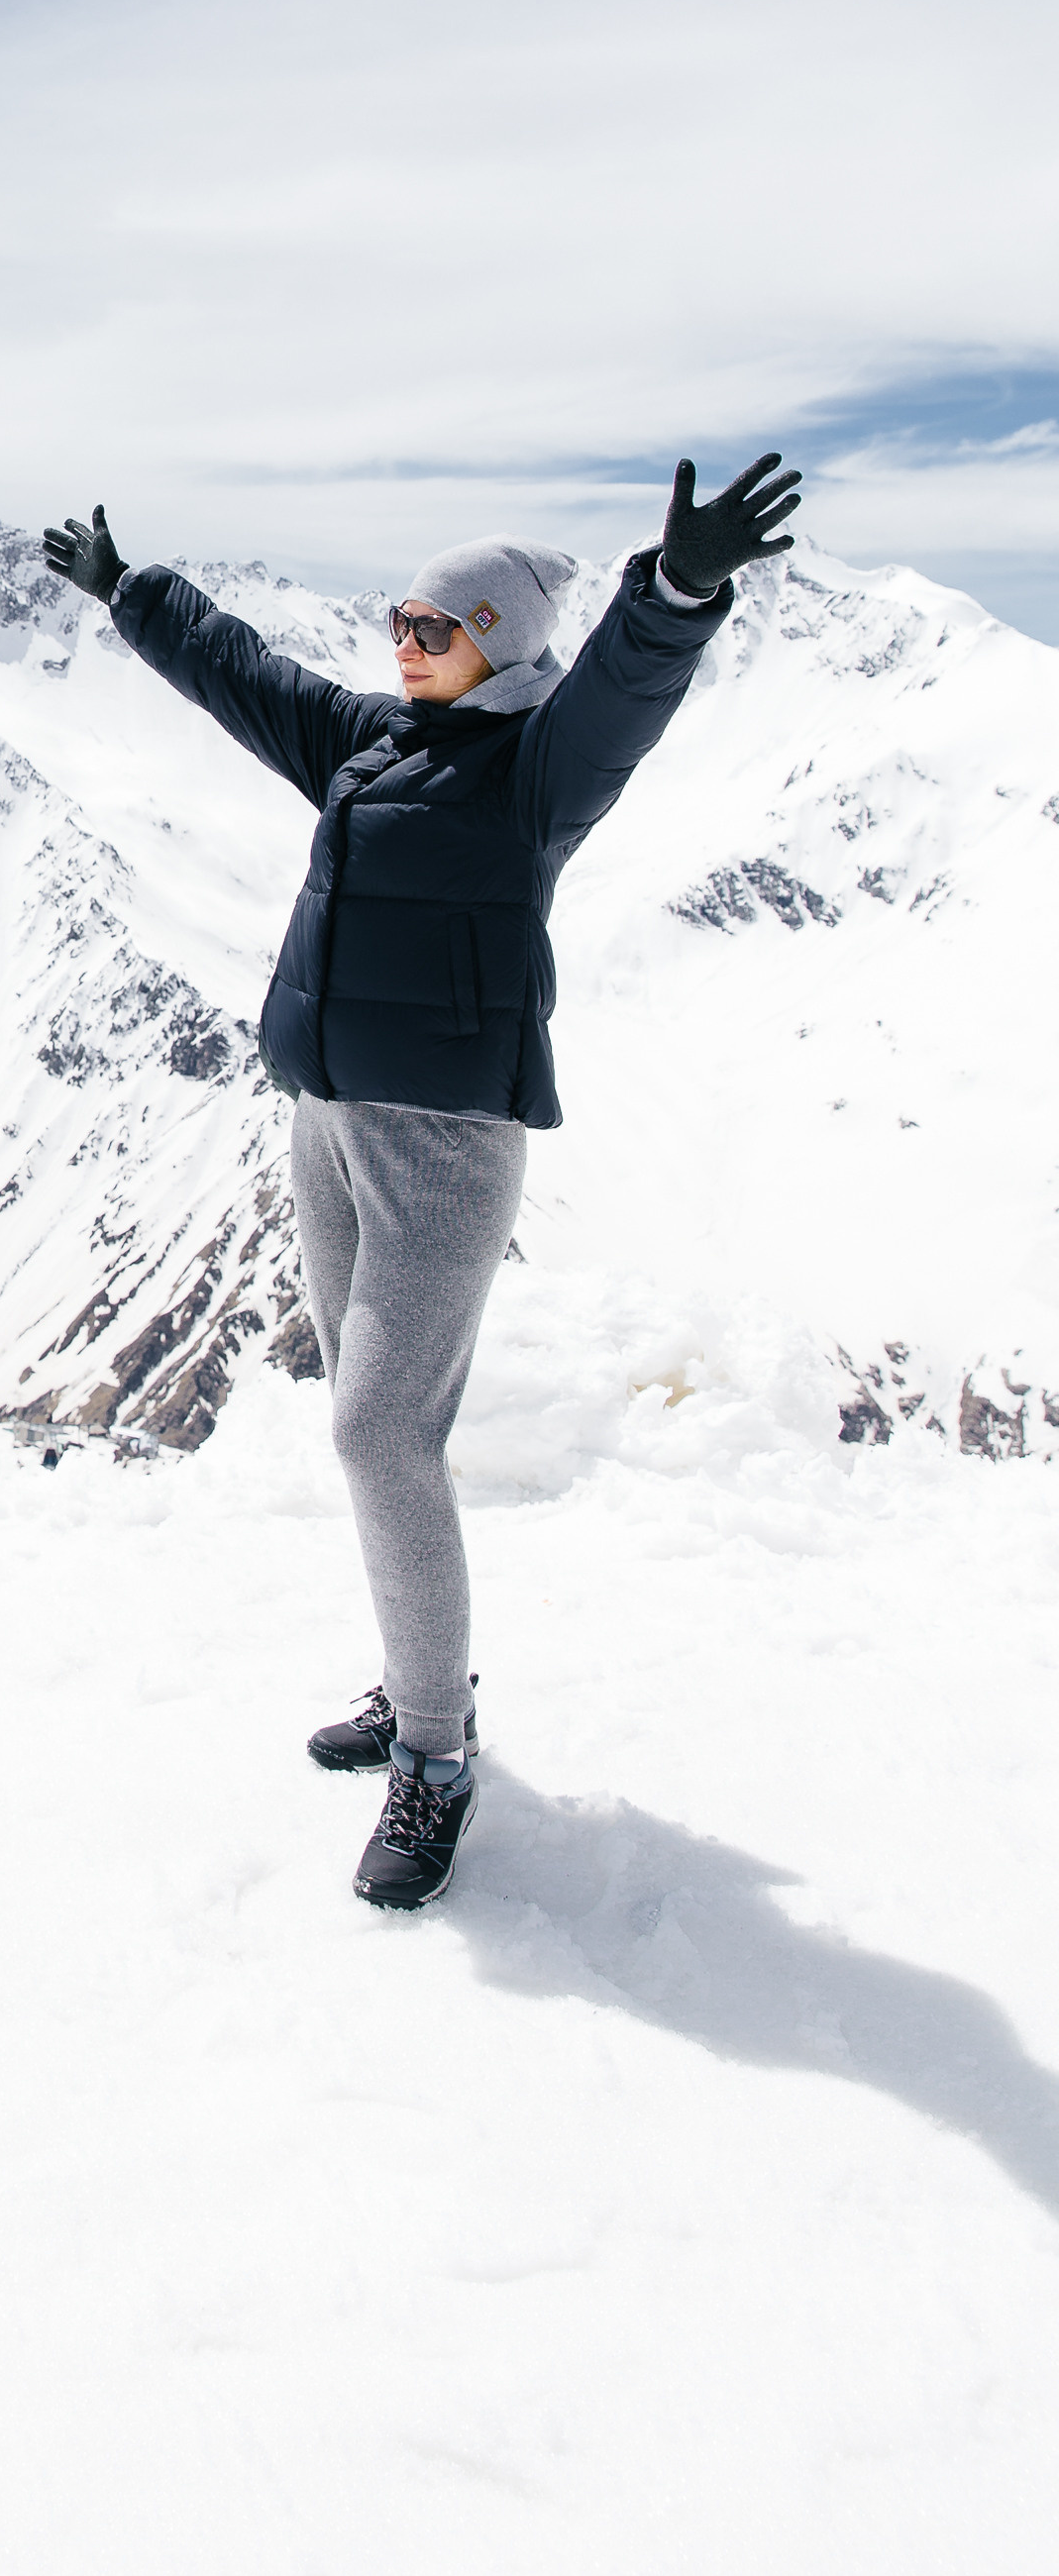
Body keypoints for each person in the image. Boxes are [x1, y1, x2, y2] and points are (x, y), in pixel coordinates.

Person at [40, 454, 801, 1912]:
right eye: (397, 618)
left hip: (442, 1145)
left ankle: (437, 1762)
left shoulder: (537, 772)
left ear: (500, 641)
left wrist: (679, 590)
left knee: (382, 1435)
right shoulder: (370, 742)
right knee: (371, 1423)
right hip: (323, 1119)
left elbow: (627, 692)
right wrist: (135, 594)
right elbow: (243, 676)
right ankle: (413, 1682)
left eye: (435, 626)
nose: (405, 640)